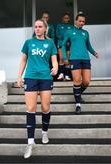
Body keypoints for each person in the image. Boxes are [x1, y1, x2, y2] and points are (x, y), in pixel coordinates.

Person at [17, 19, 58, 158]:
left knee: (45, 108)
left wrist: (56, 67)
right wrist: (19, 76)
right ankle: (30, 142)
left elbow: (54, 59)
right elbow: (23, 59)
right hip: (30, 77)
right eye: (36, 27)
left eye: (40, 27)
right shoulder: (29, 43)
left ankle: (44, 133)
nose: (37, 29)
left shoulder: (50, 43)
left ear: (45, 29)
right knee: (30, 108)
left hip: (45, 78)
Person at [62, 12, 98, 114]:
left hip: (85, 59)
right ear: (76, 21)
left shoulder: (86, 33)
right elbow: (63, 45)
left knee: (86, 81)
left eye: (83, 21)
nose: (82, 23)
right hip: (74, 59)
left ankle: (77, 94)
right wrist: (65, 57)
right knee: (77, 80)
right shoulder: (69, 31)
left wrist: (94, 52)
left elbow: (88, 46)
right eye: (80, 21)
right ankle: (78, 104)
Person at [56, 12, 73, 81]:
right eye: (65, 18)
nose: (66, 19)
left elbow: (72, 36)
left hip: (68, 44)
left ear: (69, 19)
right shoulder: (59, 25)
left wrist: (68, 40)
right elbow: (57, 34)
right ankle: (61, 74)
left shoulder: (71, 26)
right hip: (60, 44)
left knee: (68, 59)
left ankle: (67, 75)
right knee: (62, 58)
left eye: (67, 18)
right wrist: (65, 38)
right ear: (63, 18)